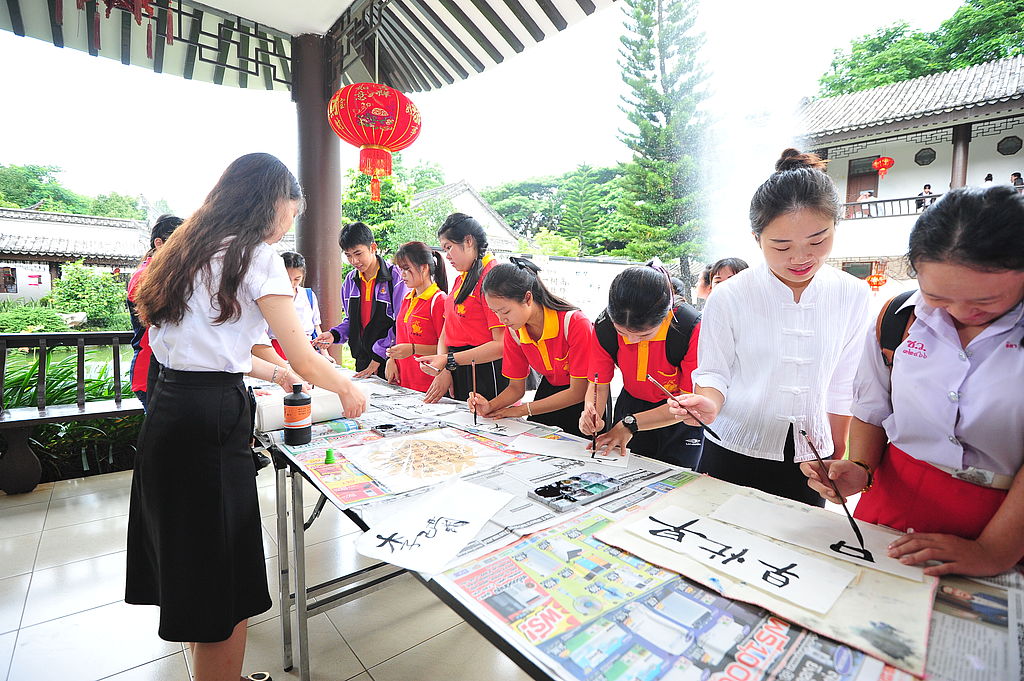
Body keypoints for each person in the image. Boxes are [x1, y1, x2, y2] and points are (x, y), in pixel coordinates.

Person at [125, 153, 367, 681]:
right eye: (290, 210)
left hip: (170, 410)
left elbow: (215, 342)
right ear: (271, 201)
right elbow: (303, 354)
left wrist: (276, 372)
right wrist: (347, 384)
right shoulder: (257, 254)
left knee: (193, 568)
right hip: (210, 420)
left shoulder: (188, 248)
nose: (289, 223)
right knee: (220, 583)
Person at [802, 186, 1024, 576]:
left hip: (1004, 521)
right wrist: (859, 468)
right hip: (893, 496)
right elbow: (873, 408)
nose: (959, 312)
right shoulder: (897, 318)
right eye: (938, 296)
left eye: (985, 302)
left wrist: (993, 551)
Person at [671, 148, 870, 506]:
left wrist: (836, 451)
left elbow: (843, 381)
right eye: (781, 246)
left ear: (835, 226)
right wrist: (707, 402)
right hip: (731, 446)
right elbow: (715, 372)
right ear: (756, 239)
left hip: (809, 458)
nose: (800, 258)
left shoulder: (852, 294)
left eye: (818, 240)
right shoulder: (730, 295)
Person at [579, 264, 705, 467]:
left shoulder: (689, 328)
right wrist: (591, 412)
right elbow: (598, 384)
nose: (632, 340)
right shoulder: (604, 327)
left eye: (644, 335)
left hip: (677, 417)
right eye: (622, 333)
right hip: (631, 406)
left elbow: (686, 404)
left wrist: (630, 424)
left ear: (665, 314)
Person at [469, 258, 593, 437]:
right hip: (549, 393)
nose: (501, 319)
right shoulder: (514, 331)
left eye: (505, 311)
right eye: (494, 312)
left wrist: (522, 410)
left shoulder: (574, 323)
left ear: (528, 298)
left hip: (585, 405)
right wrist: (490, 405)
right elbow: (516, 388)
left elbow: (578, 391)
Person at [418, 213, 507, 402]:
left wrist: (449, 361)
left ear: (468, 241)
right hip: (458, 365)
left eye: (449, 247)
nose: (447, 256)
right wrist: (443, 367)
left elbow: (501, 345)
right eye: (444, 249)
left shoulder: (493, 278)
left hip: (485, 369)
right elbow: (446, 330)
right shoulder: (461, 279)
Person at [314, 222, 407, 378]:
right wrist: (334, 335)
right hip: (362, 360)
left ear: (373, 247)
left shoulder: (396, 277)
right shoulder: (350, 281)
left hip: (391, 361)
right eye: (348, 255)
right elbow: (352, 321)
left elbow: (401, 324)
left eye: (358, 253)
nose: (354, 261)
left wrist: (379, 356)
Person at [126, 214, 182, 411]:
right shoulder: (145, 277)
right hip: (150, 371)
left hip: (162, 370)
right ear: (159, 243)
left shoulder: (160, 274)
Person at [384, 241, 448, 392]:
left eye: (407, 269)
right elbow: (401, 337)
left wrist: (413, 349)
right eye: (401, 269)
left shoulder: (439, 301)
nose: (402, 274)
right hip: (403, 383)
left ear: (424, 268)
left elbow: (446, 351)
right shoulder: (407, 299)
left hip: (428, 386)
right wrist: (391, 359)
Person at [267, 251, 332, 362]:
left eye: (297, 279)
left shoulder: (308, 295)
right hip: (277, 350)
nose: (292, 283)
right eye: (287, 279)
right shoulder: (269, 296)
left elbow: (316, 327)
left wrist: (325, 354)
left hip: (307, 349)